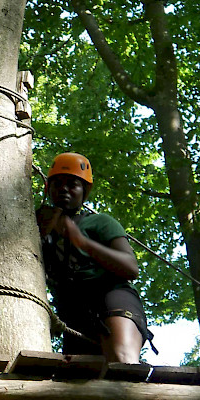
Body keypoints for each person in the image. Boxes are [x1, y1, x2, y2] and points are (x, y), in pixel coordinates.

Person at [36, 152, 150, 363]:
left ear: (84, 191)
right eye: (57, 184)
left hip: (110, 298)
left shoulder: (99, 223)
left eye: (73, 184)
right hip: (73, 315)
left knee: (121, 360)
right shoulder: (36, 229)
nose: (64, 189)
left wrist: (82, 242)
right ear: (48, 189)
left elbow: (130, 268)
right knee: (78, 380)